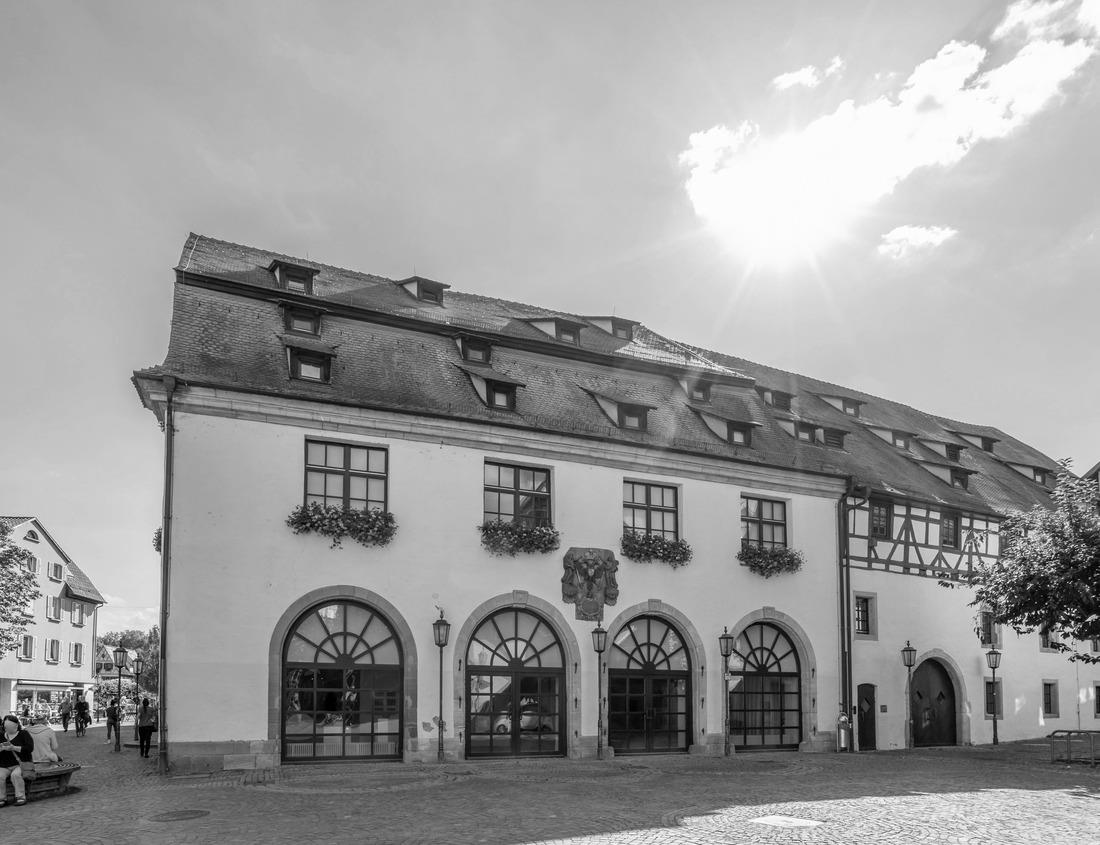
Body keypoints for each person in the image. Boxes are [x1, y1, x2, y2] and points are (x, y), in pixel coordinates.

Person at [0, 714, 34, 807]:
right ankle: (2, 798)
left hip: (21, 763)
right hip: (4, 765)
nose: (6, 728)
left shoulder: (23, 734)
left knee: (15, 775)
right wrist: (1, 748)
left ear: (15, 726)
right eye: (5, 726)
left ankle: (20, 797)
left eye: (9, 726)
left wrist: (13, 748)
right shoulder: (1, 735)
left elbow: (29, 748)